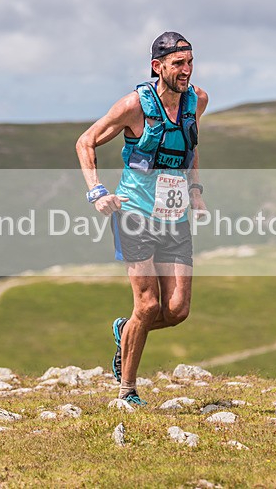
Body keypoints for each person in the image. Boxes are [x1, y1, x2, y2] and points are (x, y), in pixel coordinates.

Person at [76, 31, 209, 405]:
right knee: (148, 305)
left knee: (177, 310)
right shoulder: (134, 105)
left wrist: (195, 191)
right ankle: (127, 392)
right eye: (178, 64)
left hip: (175, 216)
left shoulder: (196, 100)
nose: (187, 71)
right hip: (135, 213)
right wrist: (97, 191)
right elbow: (85, 141)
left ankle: (126, 328)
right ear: (158, 66)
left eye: (190, 62)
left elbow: (191, 145)